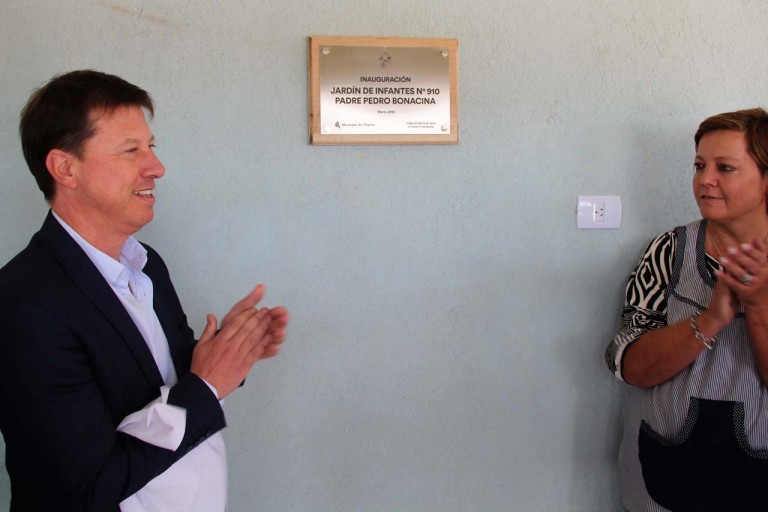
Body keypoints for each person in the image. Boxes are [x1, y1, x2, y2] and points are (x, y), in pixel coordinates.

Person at [0, 70, 289, 511]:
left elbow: (167, 381)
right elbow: (90, 485)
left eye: (151, 146)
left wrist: (231, 350)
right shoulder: (24, 303)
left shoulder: (146, 263)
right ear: (65, 168)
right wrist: (208, 385)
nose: (156, 167)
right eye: (131, 149)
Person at [606, 108, 768, 511]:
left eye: (725, 168)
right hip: (665, 477)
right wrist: (710, 319)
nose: (704, 179)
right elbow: (630, 367)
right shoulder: (669, 251)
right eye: (699, 166)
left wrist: (758, 308)